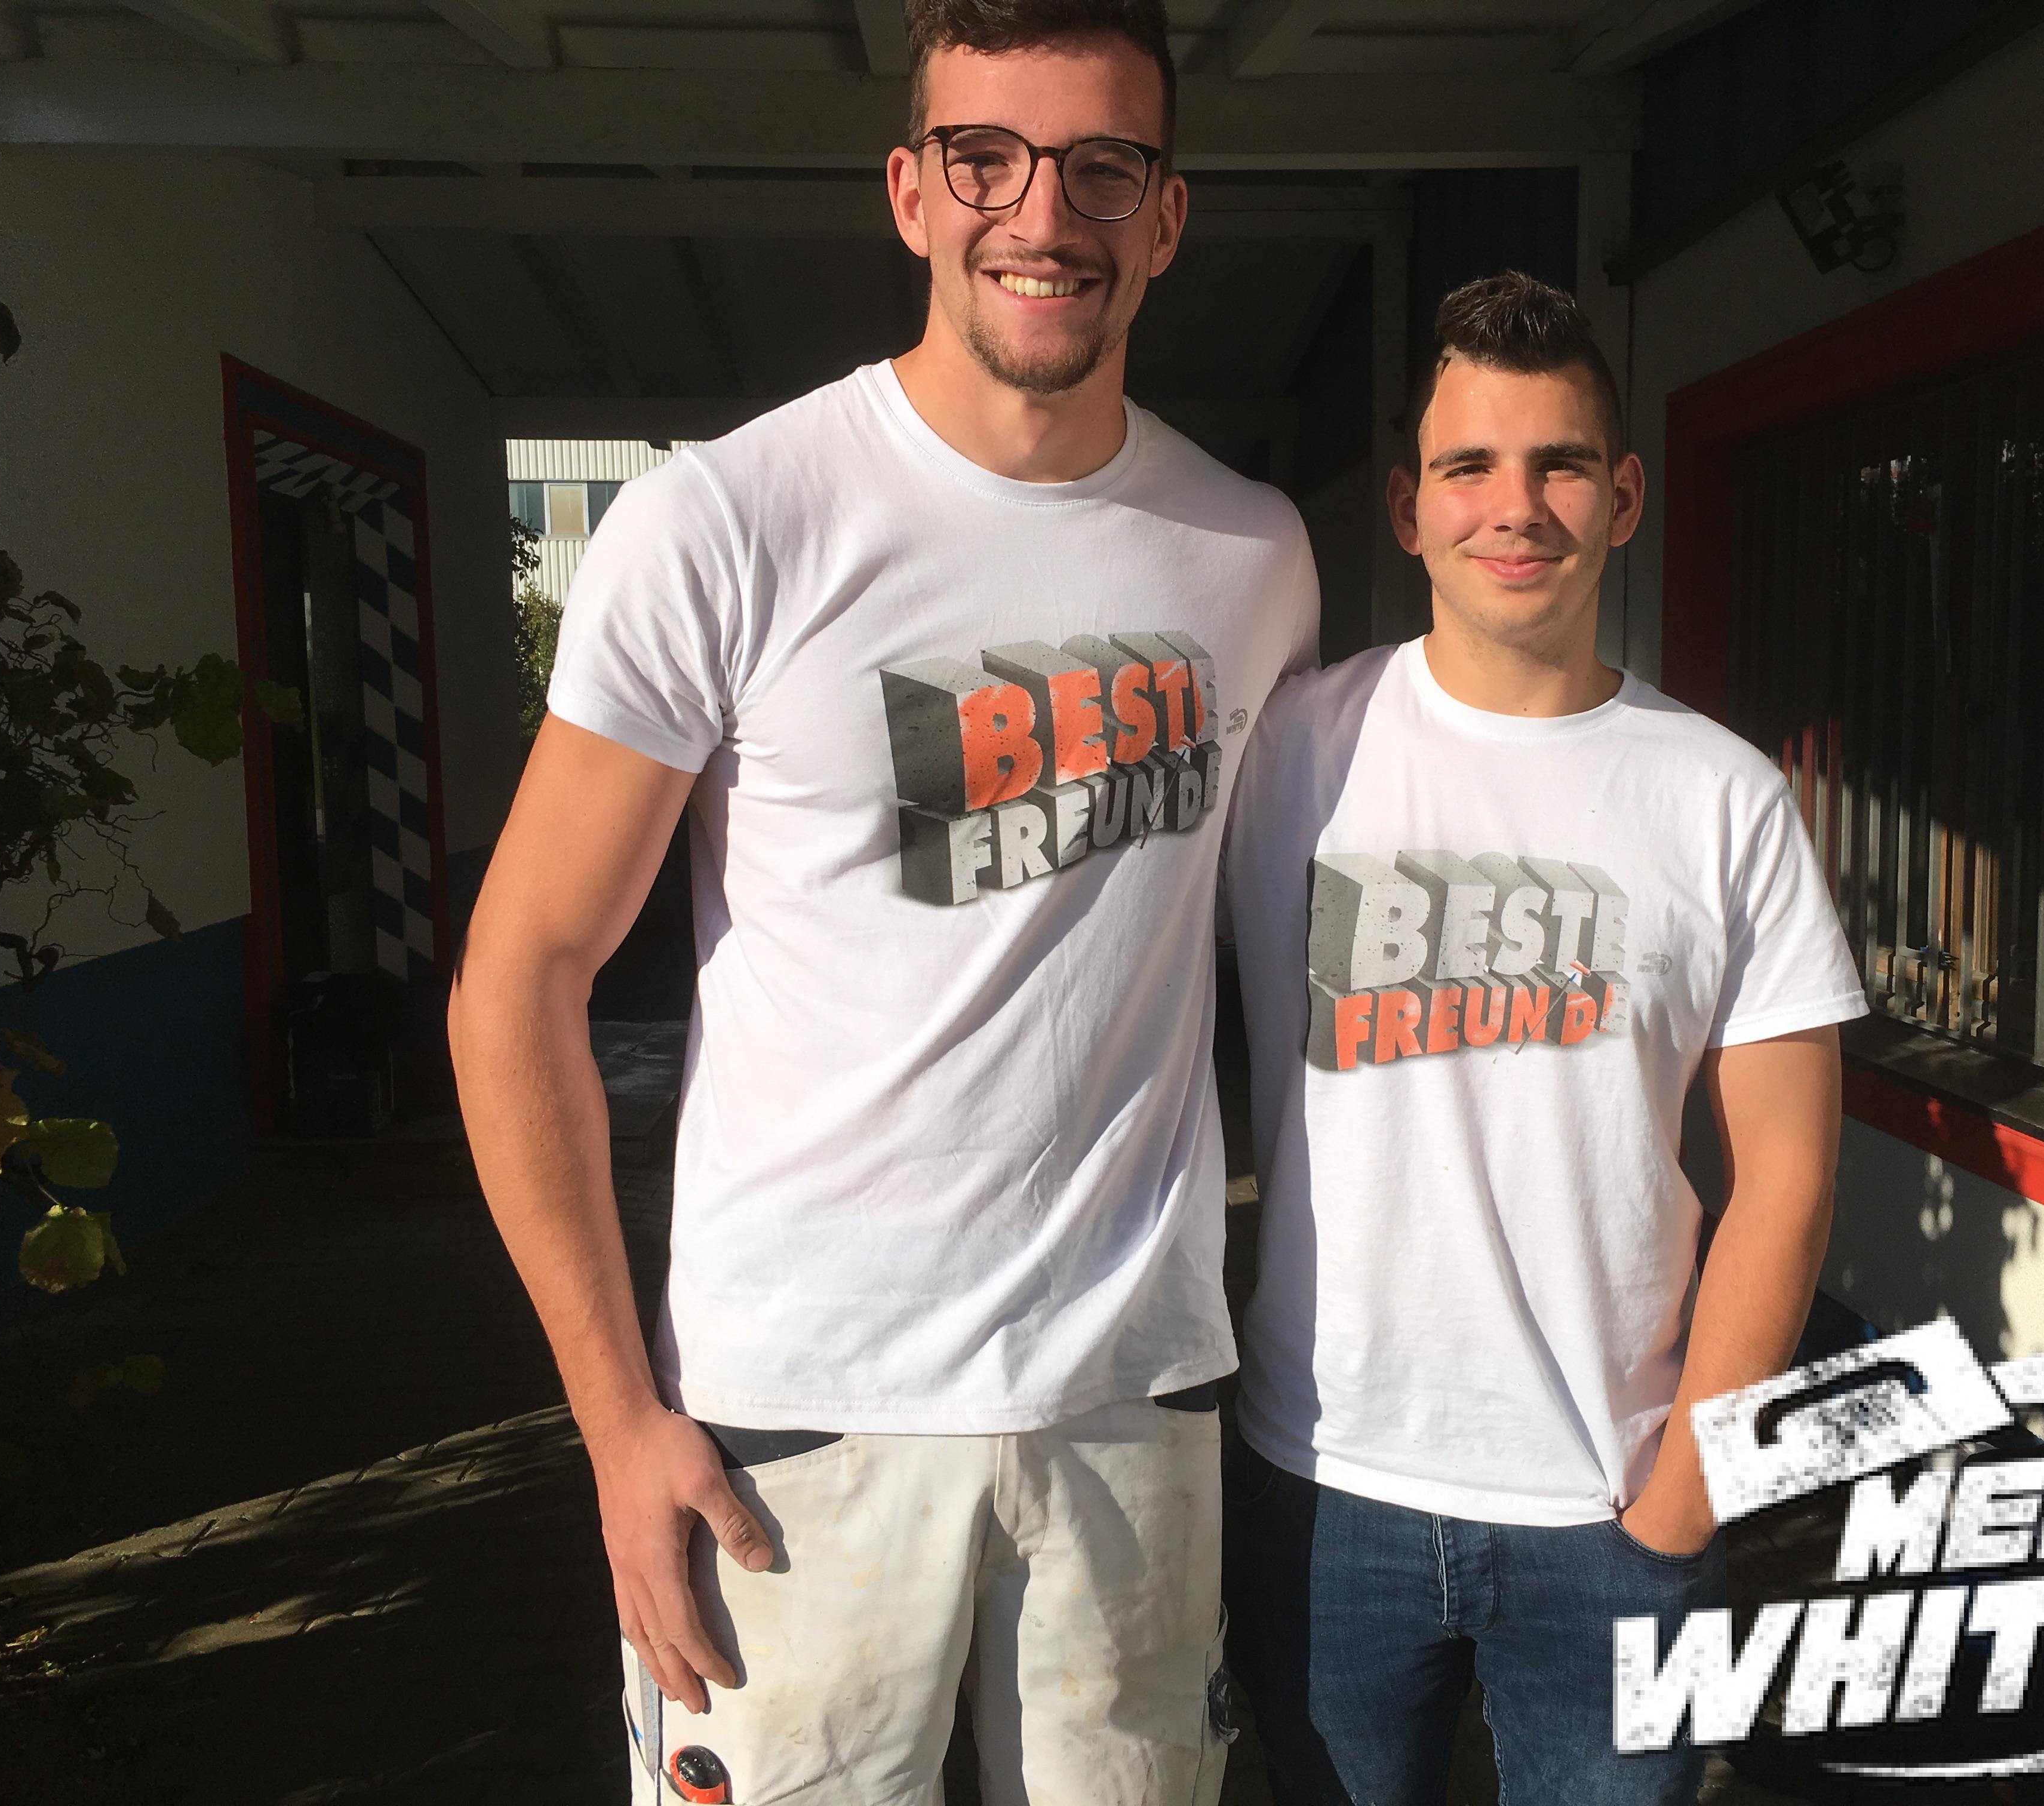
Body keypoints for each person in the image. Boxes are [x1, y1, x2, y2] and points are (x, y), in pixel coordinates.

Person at [447, 0, 1319, 1795]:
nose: (1044, 216)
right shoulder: (727, 522)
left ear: (1166, 217)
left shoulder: (1252, 553)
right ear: (913, 192)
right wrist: (616, 1425)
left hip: (1130, 1396)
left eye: (1102, 168)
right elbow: (518, 977)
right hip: (795, 1416)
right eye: (988, 160)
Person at [1219, 271, 1864, 1805]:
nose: (1517, 508)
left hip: (1610, 1500)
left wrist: (1689, 1494)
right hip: (1323, 1486)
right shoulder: (1284, 750)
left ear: (1624, 496)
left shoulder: (1721, 797)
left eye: (1560, 465)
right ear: (1407, 507)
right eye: (1471, 467)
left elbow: (1786, 1179)